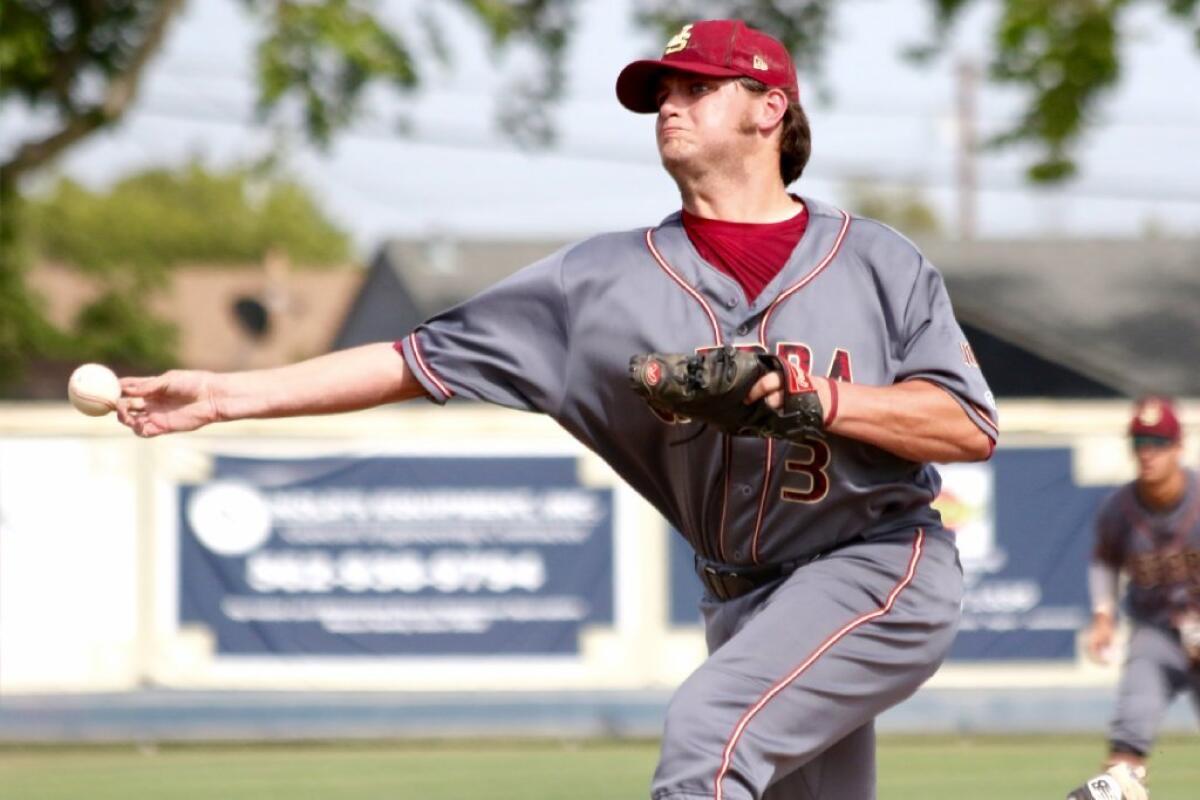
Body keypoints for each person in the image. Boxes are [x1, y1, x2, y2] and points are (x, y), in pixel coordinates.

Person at [116, 19, 997, 800]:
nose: (670, 106)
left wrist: (821, 399)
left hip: (880, 562)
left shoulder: (877, 261)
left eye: (696, 87)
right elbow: (411, 360)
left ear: (769, 110)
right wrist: (228, 394)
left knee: (704, 744)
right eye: (662, 93)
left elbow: (966, 425)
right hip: (743, 601)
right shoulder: (596, 286)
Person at [1067, 396, 1199, 800]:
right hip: (1156, 634)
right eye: (1140, 443)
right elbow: (1105, 560)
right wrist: (1104, 616)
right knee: (1127, 746)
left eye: (1158, 443)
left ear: (1179, 447)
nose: (1147, 454)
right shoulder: (1119, 508)